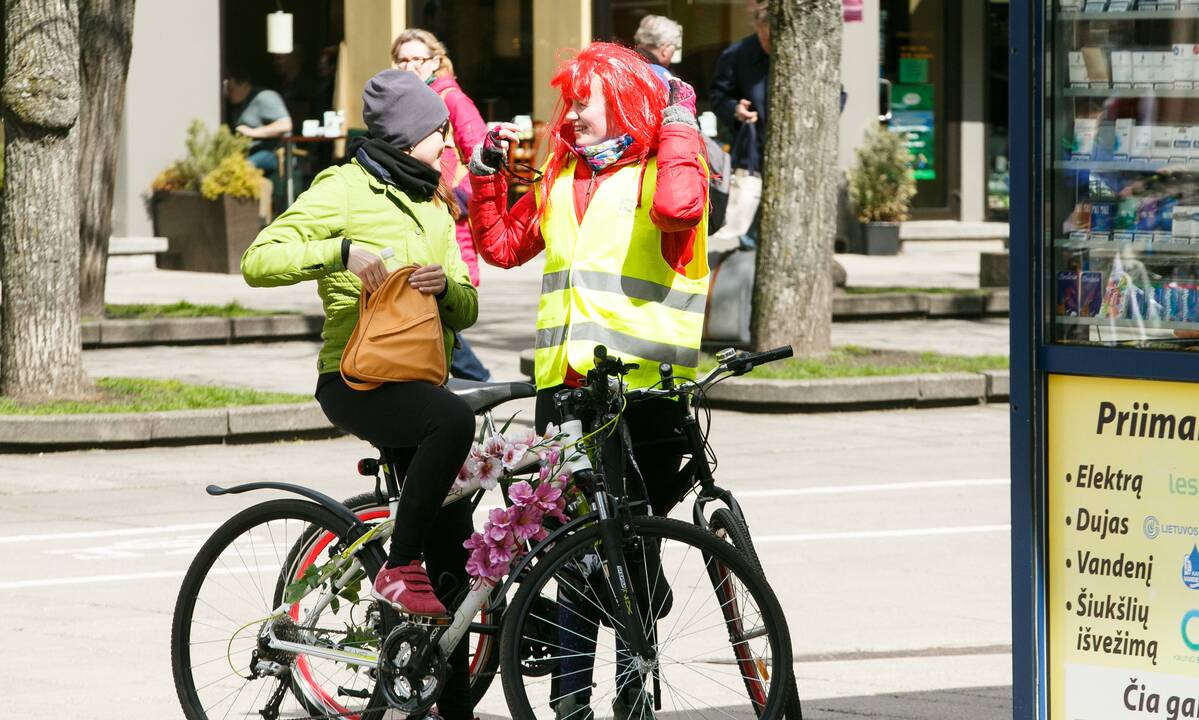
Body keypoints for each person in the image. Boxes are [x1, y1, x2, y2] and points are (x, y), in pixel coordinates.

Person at [467, 42, 709, 720]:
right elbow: (504, 247)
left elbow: (680, 212)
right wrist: (487, 175)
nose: (569, 115)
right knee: (571, 557)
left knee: (633, 557)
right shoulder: (561, 174)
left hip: (643, 395)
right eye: (567, 102)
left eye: (584, 100)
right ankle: (570, 704)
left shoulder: (667, 167)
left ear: (626, 100)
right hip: (566, 395)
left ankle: (634, 693)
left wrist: (680, 123)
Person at [241, 69, 478, 720]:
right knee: (453, 422)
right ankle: (396, 567)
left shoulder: (435, 199)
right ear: (408, 138)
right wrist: (339, 251)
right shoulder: (343, 188)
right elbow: (258, 260)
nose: (449, 144)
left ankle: (436, 699)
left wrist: (445, 289)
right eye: (439, 133)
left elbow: (467, 308)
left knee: (455, 551)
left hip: (419, 375)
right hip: (354, 379)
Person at [391, 27, 493, 382]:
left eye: (417, 59)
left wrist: (458, 198)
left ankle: (482, 386)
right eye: (402, 60)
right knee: (432, 314)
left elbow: (484, 152)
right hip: (419, 219)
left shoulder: (451, 98)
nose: (409, 67)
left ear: (435, 61)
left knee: (441, 311)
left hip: (449, 222)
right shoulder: (404, 100)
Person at [709, 4, 770, 248]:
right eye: (766, 39)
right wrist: (735, 109)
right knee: (746, 220)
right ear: (757, 28)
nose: (770, 46)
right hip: (751, 152)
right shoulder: (737, 55)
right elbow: (718, 96)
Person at [222, 70, 293, 176]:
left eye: (231, 89)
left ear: (245, 86)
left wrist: (252, 132)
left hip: (272, 152)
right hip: (249, 152)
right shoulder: (237, 104)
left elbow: (285, 125)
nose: (228, 94)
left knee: (240, 169)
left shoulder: (265, 96)